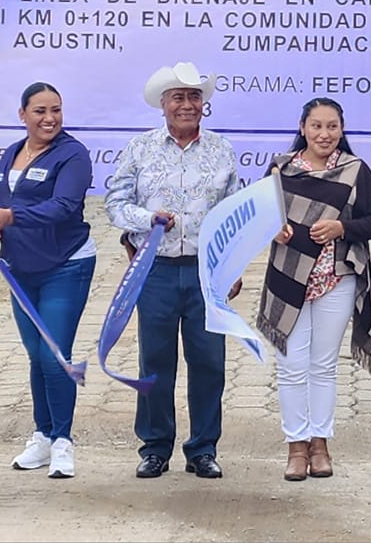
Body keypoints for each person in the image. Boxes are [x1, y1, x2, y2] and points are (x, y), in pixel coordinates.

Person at [105, 62, 240, 480]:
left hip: (205, 273)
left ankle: (203, 448)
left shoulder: (222, 150)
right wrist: (147, 218)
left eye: (194, 97)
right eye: (178, 97)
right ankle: (155, 447)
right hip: (156, 271)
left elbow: (234, 212)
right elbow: (114, 203)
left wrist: (233, 267)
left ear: (204, 104)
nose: (187, 104)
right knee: (155, 363)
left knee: (209, 363)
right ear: (163, 105)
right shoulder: (139, 148)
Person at [258, 98, 371, 482]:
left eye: (332, 127)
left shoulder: (355, 171)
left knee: (323, 365)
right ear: (302, 128)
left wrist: (341, 229)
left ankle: (320, 444)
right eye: (316, 126)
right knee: (291, 365)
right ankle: (296, 447)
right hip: (288, 278)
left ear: (342, 130)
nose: (324, 134)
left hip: (336, 278)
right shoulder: (281, 169)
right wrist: (275, 227)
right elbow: (260, 214)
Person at [0, 82, 97, 479]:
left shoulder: (73, 154)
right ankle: (43, 435)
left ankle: (64, 442)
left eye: (56, 110)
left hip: (66, 264)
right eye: (39, 111)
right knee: (36, 355)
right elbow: (4, 203)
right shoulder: (11, 153)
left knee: (54, 354)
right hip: (21, 268)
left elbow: (64, 207)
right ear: (22, 115)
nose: (49, 118)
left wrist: (12, 218)